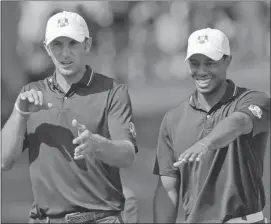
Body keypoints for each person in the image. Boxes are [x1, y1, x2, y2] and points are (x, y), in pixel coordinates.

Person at [1, 11, 138, 224]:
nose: (65, 53)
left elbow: (127, 155)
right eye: (57, 44)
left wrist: (97, 144)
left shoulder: (113, 91)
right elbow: (4, 161)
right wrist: (20, 113)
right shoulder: (31, 94)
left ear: (87, 44)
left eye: (73, 43)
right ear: (47, 48)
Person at [153, 28, 270, 223]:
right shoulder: (173, 119)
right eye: (194, 64)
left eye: (210, 63)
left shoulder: (254, 100)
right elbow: (168, 188)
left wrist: (205, 143)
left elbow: (239, 123)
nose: (201, 71)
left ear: (227, 61)